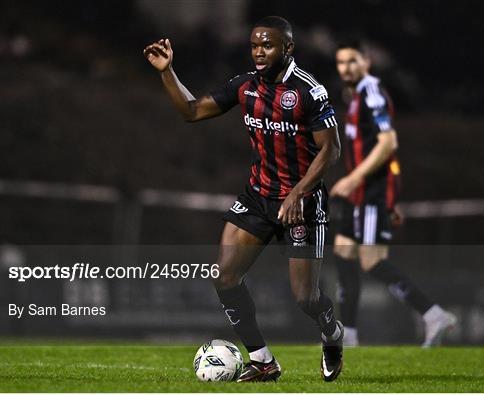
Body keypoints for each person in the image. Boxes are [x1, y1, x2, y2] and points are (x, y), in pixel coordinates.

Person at [144, 16, 343, 382]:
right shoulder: (245, 86)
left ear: (288, 48)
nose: (259, 52)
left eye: (267, 45)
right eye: (254, 45)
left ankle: (332, 333)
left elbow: (330, 151)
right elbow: (191, 111)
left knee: (305, 299)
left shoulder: (307, 91)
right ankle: (264, 361)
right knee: (223, 276)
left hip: (302, 204)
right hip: (258, 196)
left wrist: (299, 192)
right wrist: (167, 72)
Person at [330, 40, 457, 347]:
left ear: (366, 62)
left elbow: (388, 143)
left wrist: (356, 180)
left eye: (352, 61)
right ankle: (349, 335)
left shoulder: (372, 94)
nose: (345, 68)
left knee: (371, 261)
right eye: (341, 62)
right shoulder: (356, 97)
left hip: (370, 191)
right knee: (343, 253)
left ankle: (433, 314)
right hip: (362, 192)